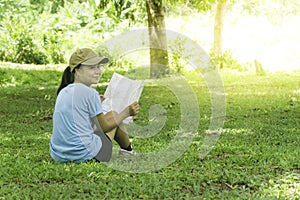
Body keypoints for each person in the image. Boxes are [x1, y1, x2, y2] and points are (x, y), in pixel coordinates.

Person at [50, 48, 139, 163]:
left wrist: (97, 104)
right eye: (92, 68)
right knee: (116, 117)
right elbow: (105, 127)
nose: (98, 71)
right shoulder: (90, 93)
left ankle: (128, 152)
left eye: (98, 67)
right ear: (78, 71)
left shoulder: (63, 91)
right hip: (84, 155)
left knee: (112, 114)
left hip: (59, 155)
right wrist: (126, 112)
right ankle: (128, 151)